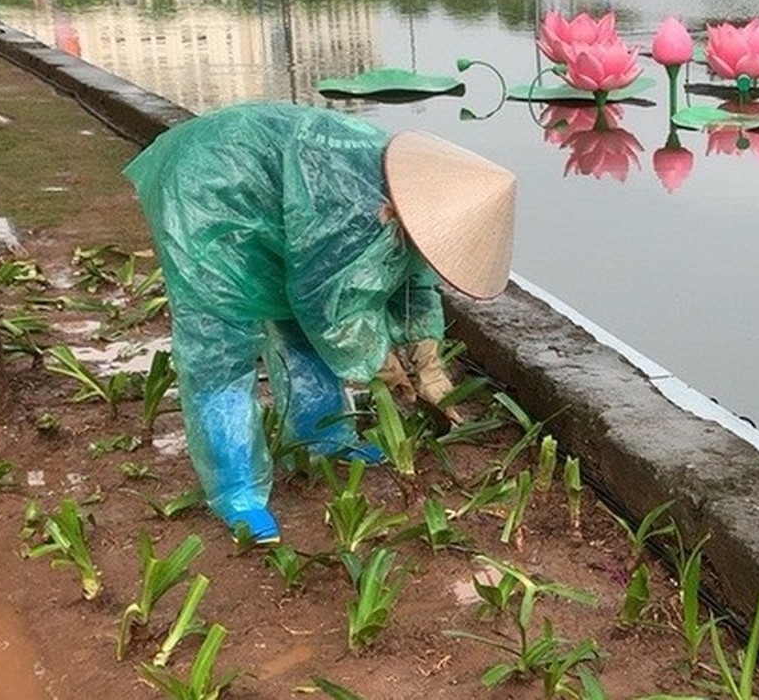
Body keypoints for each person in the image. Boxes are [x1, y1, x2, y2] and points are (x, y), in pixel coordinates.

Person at [125, 102, 517, 543]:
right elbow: (327, 306)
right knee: (220, 346)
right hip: (212, 186)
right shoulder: (349, 206)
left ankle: (320, 439)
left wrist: (428, 361)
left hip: (281, 197)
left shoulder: (422, 206)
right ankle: (236, 490)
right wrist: (384, 368)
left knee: (299, 334)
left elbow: (413, 282)